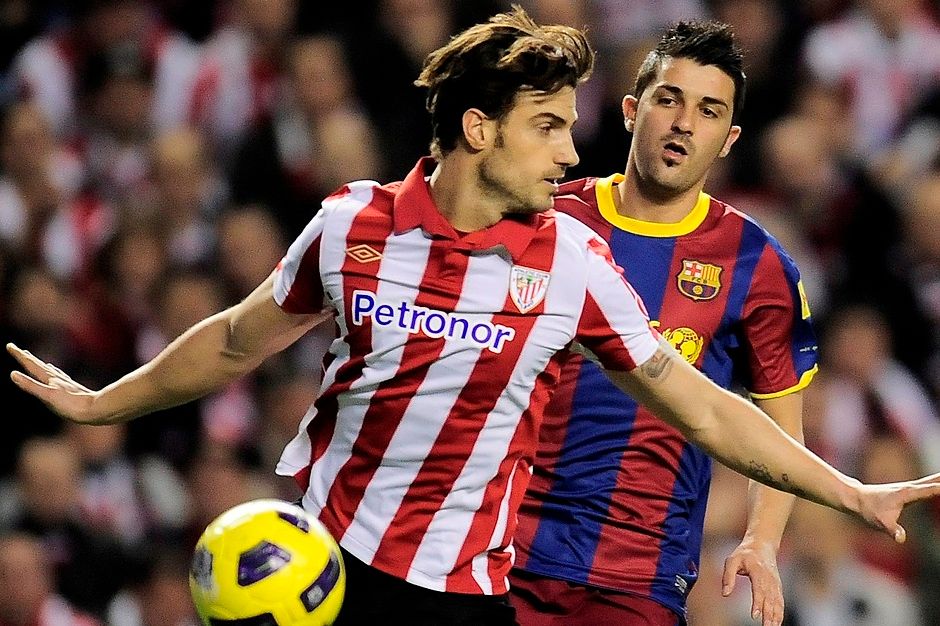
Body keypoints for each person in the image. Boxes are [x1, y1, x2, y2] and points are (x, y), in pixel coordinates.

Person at [7, 8, 940, 626]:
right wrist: (101, 402)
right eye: (549, 127)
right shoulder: (353, 224)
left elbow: (701, 407)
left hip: (466, 592)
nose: (570, 155)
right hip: (325, 568)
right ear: (480, 129)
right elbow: (234, 341)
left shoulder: (571, 261)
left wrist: (849, 493)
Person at [509, 22, 811, 626]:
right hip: (502, 551)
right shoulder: (546, 221)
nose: (684, 123)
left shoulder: (757, 265)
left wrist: (761, 540)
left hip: (638, 578)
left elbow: (782, 432)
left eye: (709, 111)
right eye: (669, 100)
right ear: (631, 110)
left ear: (728, 139)